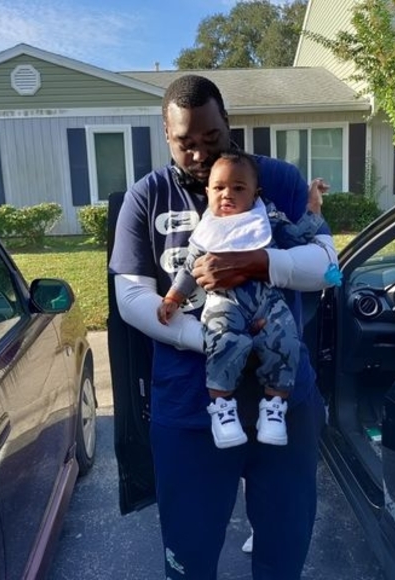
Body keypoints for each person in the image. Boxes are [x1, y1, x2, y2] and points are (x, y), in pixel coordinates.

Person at [109, 73, 339, 580]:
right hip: (189, 409)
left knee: (284, 553)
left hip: (283, 403)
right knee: (189, 559)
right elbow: (131, 298)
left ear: (228, 124)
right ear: (166, 136)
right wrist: (213, 341)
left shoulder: (276, 178)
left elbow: (328, 267)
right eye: (184, 143)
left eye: (211, 138)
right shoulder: (147, 196)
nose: (199, 154)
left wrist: (263, 263)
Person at [157, 150, 328, 449]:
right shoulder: (208, 228)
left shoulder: (267, 217)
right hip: (224, 301)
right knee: (222, 341)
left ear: (255, 194)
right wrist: (174, 296)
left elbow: (296, 236)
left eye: (238, 188)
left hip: (268, 299)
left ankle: (274, 406)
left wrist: (313, 208)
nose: (227, 194)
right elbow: (189, 267)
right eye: (219, 187)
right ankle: (222, 408)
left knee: (285, 338)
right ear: (208, 192)